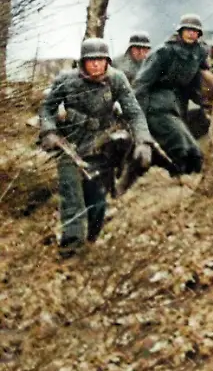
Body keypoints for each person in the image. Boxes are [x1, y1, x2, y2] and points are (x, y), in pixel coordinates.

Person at [39, 38, 154, 253]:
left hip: (99, 148)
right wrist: (49, 131)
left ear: (107, 61)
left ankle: (90, 243)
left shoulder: (117, 80)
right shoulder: (66, 80)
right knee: (72, 197)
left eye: (100, 60)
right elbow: (47, 109)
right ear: (83, 61)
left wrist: (143, 141)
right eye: (91, 60)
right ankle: (71, 246)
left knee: (98, 204)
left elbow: (134, 113)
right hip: (70, 145)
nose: (95, 65)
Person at [134, 14, 212, 174]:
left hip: (179, 103)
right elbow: (141, 83)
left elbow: (200, 76)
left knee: (195, 153)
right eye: (188, 30)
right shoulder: (164, 52)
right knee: (181, 148)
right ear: (181, 31)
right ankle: (178, 180)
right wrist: (138, 116)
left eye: (195, 31)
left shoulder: (199, 52)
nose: (191, 34)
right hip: (156, 104)